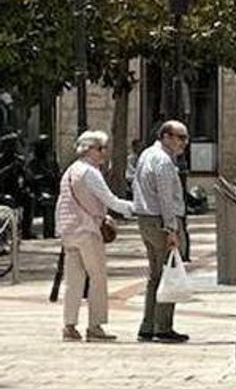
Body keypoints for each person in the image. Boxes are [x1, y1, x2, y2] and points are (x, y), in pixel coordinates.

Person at [55, 130, 135, 342]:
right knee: (98, 277)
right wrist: (136, 208)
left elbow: (62, 202)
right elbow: (110, 200)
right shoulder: (90, 172)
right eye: (100, 148)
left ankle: (69, 326)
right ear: (89, 149)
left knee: (74, 280)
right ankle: (95, 326)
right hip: (88, 230)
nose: (104, 153)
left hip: (69, 230)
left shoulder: (71, 170)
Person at [131, 120, 190, 343]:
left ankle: (148, 325)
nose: (184, 143)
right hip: (160, 222)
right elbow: (165, 198)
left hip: (146, 220)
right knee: (168, 273)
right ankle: (162, 327)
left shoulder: (147, 154)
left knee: (155, 275)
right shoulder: (163, 161)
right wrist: (172, 228)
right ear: (166, 136)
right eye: (180, 137)